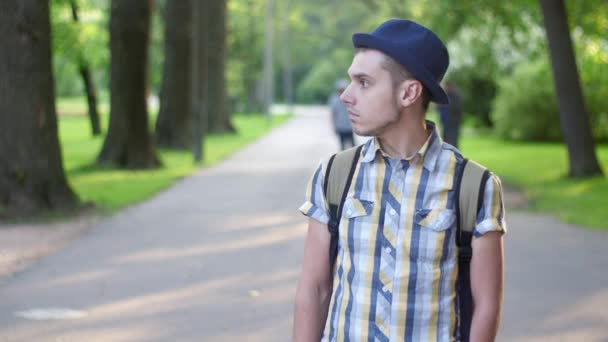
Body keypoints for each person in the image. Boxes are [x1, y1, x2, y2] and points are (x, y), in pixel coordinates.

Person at [293, 19, 506, 341]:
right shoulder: (335, 175)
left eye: (364, 83)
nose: (347, 96)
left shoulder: (474, 186)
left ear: (408, 92)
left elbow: (486, 305)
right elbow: (314, 290)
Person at [329, 79, 355, 150]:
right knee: (342, 147)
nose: (342, 91)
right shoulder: (334, 100)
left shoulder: (351, 98)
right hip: (340, 127)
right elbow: (333, 114)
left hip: (349, 126)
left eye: (343, 89)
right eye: (340, 90)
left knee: (353, 146)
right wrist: (334, 126)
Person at [438, 80, 463, 148]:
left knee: (453, 139)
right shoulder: (445, 96)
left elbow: (458, 108)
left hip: (453, 121)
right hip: (445, 122)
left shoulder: (455, 96)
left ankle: (454, 154)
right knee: (446, 140)